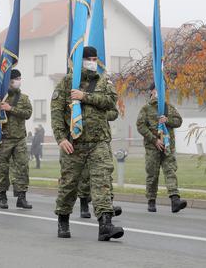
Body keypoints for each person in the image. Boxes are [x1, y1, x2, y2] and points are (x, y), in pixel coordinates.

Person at [51, 46, 123, 241]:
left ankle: (105, 225)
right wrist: (61, 138)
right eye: (88, 58)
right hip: (73, 144)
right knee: (69, 185)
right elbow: (57, 113)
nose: (92, 61)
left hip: (98, 142)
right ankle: (63, 220)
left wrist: (85, 97)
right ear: (79, 60)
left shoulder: (102, 80)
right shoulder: (67, 83)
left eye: (95, 58)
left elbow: (110, 101)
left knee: (102, 182)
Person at [137, 84, 187, 213]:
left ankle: (175, 200)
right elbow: (141, 126)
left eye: (162, 90)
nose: (159, 92)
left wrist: (167, 120)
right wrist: (154, 140)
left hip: (168, 146)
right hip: (153, 147)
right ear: (151, 92)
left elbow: (179, 121)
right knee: (153, 175)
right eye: (156, 89)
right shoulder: (146, 109)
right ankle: (151, 200)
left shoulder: (168, 107)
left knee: (170, 172)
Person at [0, 69, 33, 210]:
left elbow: (28, 113)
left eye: (19, 78)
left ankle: (21, 196)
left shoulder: (24, 98)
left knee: (22, 167)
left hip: (19, 139)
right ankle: (2, 196)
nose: (18, 81)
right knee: (2, 168)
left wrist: (11, 109)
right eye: (15, 79)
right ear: (9, 81)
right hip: (4, 138)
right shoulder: (0, 97)